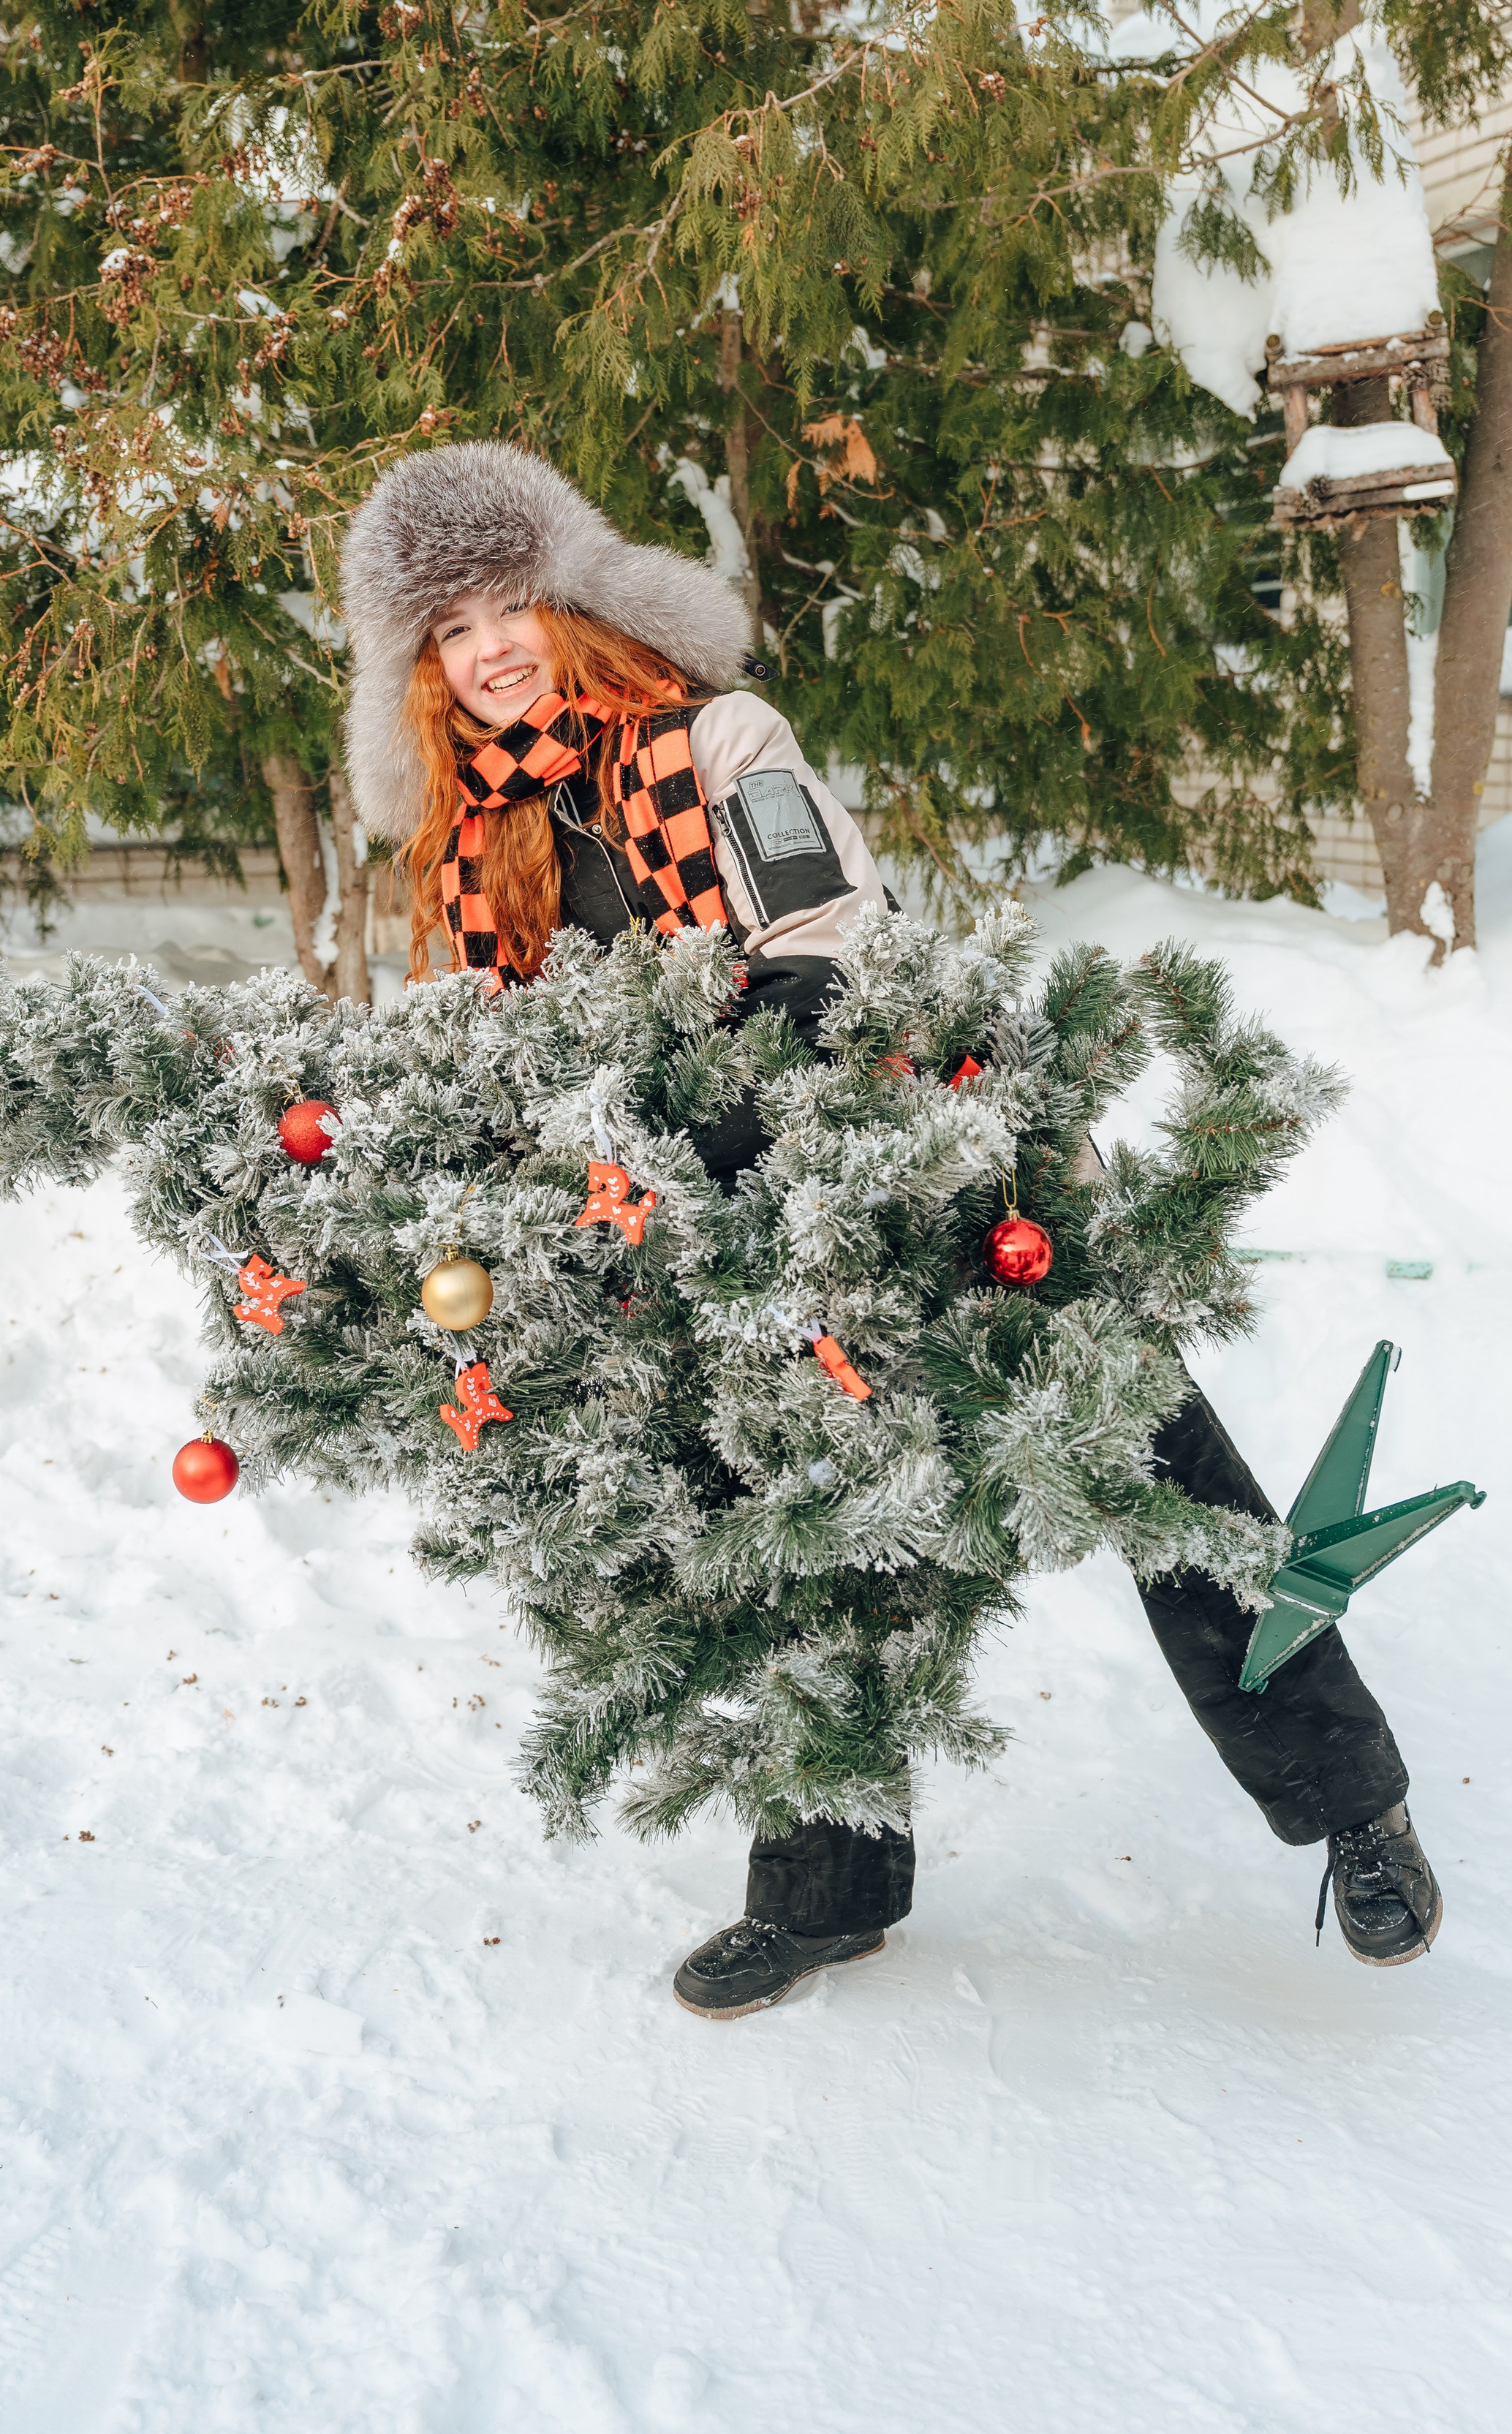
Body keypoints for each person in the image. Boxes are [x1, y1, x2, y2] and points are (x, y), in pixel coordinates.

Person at [341, 439, 1443, 2019]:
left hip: (912, 1177)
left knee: (1158, 1475)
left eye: (508, 602)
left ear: (572, 599)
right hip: (715, 1251)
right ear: (422, 672)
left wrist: (680, 1115)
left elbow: (827, 951)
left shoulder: (716, 739)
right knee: (793, 1547)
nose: (490, 646)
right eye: (448, 630)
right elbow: (481, 1058)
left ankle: (1352, 1812)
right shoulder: (468, 853)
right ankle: (826, 1896)